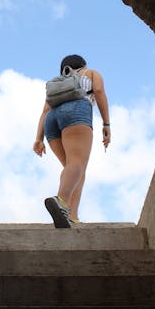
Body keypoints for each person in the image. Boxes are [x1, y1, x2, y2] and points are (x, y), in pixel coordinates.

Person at [33, 54, 111, 228]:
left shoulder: (59, 83)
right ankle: (60, 201)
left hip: (51, 121)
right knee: (77, 164)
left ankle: (71, 216)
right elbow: (98, 91)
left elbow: (45, 111)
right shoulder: (90, 73)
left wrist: (38, 138)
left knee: (75, 169)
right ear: (82, 64)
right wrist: (106, 124)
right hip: (76, 112)